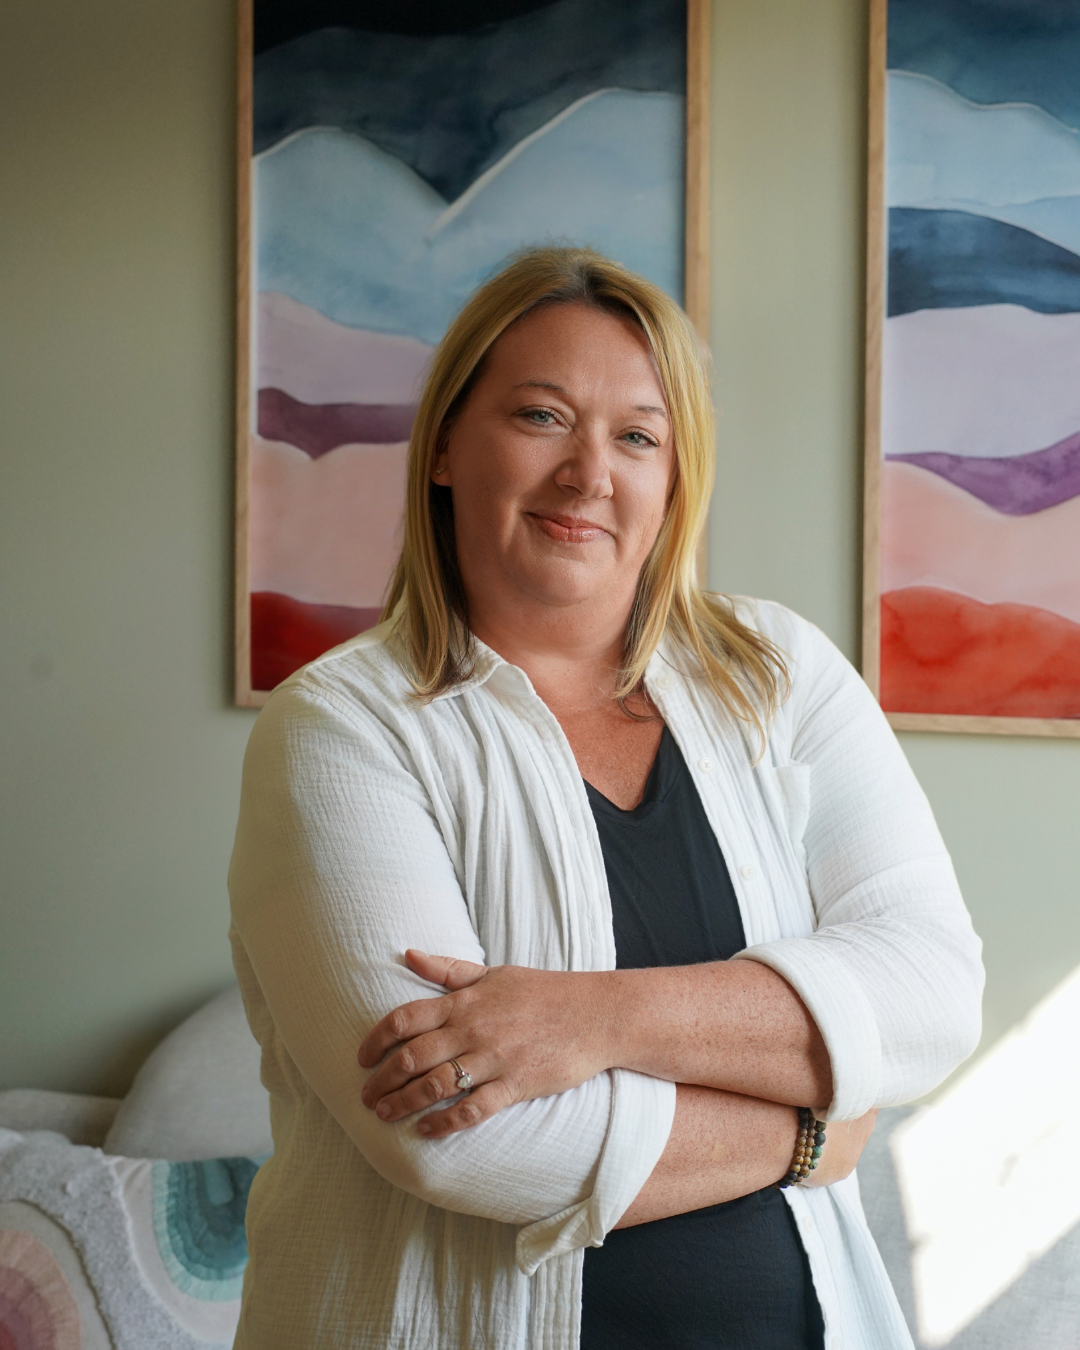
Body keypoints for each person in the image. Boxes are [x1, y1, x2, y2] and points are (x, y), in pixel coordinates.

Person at [228, 246, 983, 1349]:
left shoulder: (780, 673)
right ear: (444, 446)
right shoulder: (342, 728)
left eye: (638, 436)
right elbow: (457, 1136)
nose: (590, 474)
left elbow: (932, 998)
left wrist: (588, 1019)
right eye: (541, 417)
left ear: (676, 478)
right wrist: (812, 1135)